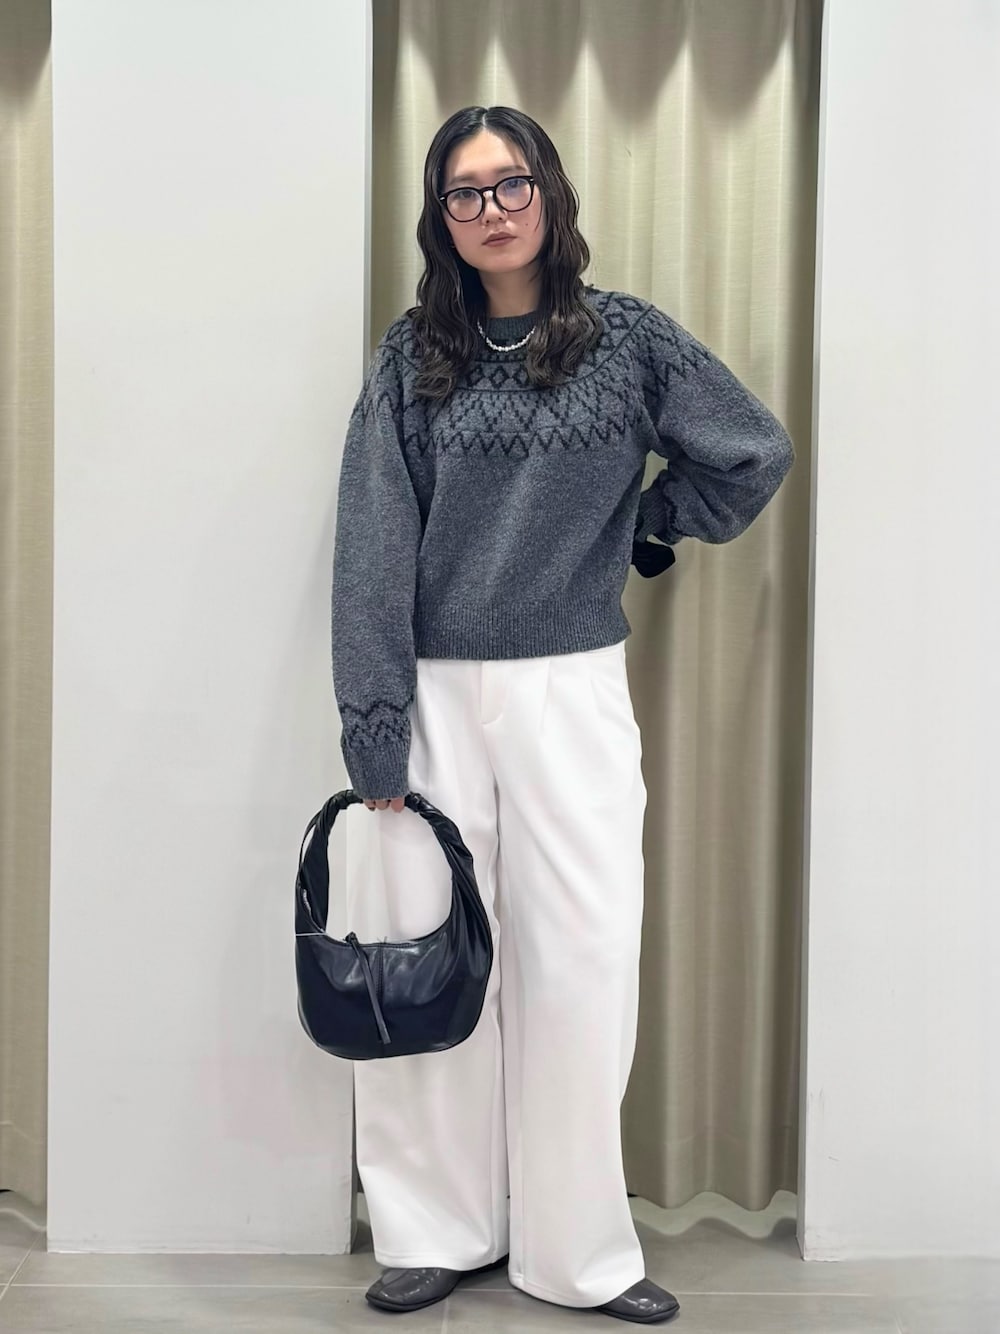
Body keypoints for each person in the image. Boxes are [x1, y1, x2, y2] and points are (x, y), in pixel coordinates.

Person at [330, 105, 794, 1324]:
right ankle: (435, 1228)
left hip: (573, 689)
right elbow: (372, 539)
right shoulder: (409, 356)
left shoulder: (627, 341)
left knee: (581, 966)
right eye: (464, 191)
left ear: (549, 190)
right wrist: (373, 721)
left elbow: (751, 449)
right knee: (426, 959)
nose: (491, 209)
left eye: (510, 182)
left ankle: (579, 1250)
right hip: (432, 691)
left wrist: (645, 525)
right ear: (440, 216)